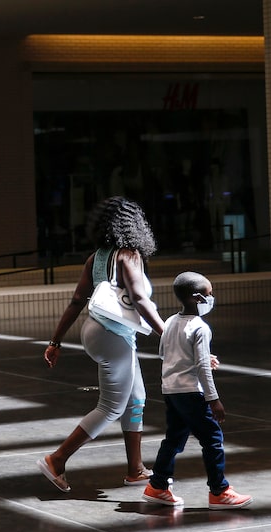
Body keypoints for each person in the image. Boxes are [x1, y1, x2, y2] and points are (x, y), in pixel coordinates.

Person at [39, 196, 164, 492]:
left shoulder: (96, 258)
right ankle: (57, 460)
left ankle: (135, 469)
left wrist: (55, 341)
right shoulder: (129, 254)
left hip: (96, 331)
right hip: (113, 337)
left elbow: (75, 302)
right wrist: (166, 332)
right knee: (110, 406)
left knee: (136, 399)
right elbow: (139, 298)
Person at [142, 272, 253, 509]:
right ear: (197, 298)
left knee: (174, 438)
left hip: (170, 390)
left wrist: (198, 357)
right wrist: (213, 399)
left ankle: (157, 485)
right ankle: (219, 491)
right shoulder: (200, 327)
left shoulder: (170, 321)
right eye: (209, 294)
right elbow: (202, 368)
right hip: (192, 391)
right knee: (213, 439)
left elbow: (165, 352)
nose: (211, 298)